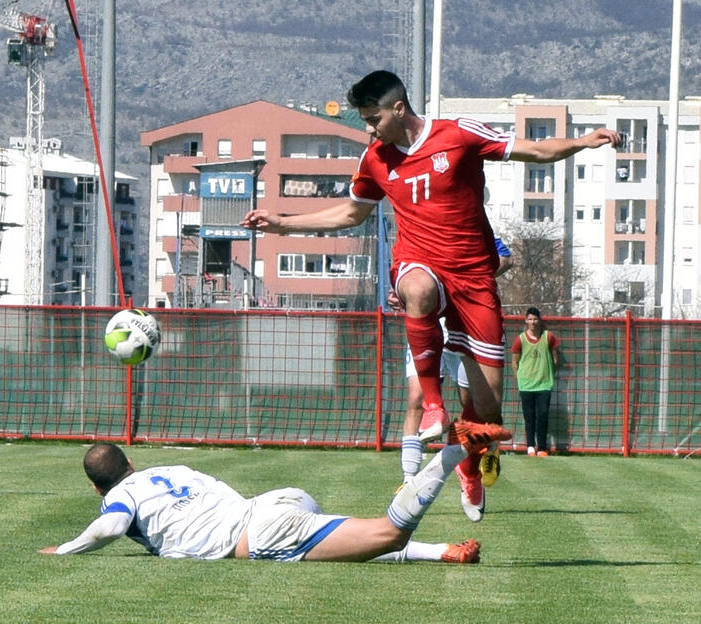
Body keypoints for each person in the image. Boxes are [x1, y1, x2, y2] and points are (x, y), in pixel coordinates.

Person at [241, 70, 619, 495]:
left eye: (373, 119)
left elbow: (532, 149)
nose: (369, 129)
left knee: (489, 407)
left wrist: (583, 142)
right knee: (416, 290)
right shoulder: (375, 159)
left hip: (474, 276)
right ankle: (433, 407)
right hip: (419, 263)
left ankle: (469, 465)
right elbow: (351, 213)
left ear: (398, 109)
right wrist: (283, 225)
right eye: (365, 120)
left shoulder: (458, 135)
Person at [39, 429, 509, 563]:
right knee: (349, 545)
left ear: (97, 485)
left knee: (386, 533)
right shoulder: (168, 468)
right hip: (274, 502)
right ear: (131, 464)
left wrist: (65, 548)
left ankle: (450, 455)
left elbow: (112, 525)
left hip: (260, 530)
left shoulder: (118, 498)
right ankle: (442, 553)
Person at [398, 239, 513, 523]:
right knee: (417, 399)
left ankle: (471, 466)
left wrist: (472, 277)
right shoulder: (417, 222)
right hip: (429, 321)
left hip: (466, 315)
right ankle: (408, 481)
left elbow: (506, 257)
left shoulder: (467, 223)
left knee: (480, 407)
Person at [511, 307, 561, 456]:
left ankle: (543, 448)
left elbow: (556, 359)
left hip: (544, 384)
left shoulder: (548, 337)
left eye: (535, 319)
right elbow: (514, 362)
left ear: (539, 320)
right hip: (526, 385)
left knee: (543, 415)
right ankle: (530, 446)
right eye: (530, 319)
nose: (533, 322)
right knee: (529, 416)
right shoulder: (520, 339)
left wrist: (549, 372)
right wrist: (519, 378)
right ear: (526, 321)